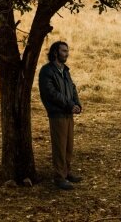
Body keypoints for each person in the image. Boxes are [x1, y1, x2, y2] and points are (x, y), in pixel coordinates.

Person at [38, 40, 82, 190]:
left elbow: (72, 88)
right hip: (57, 114)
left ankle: (66, 172)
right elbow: (51, 93)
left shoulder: (65, 70)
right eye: (64, 51)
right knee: (59, 147)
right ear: (55, 52)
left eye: (67, 51)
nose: (67, 54)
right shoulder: (47, 71)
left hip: (68, 113)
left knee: (69, 145)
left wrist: (77, 104)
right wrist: (70, 105)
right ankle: (59, 177)